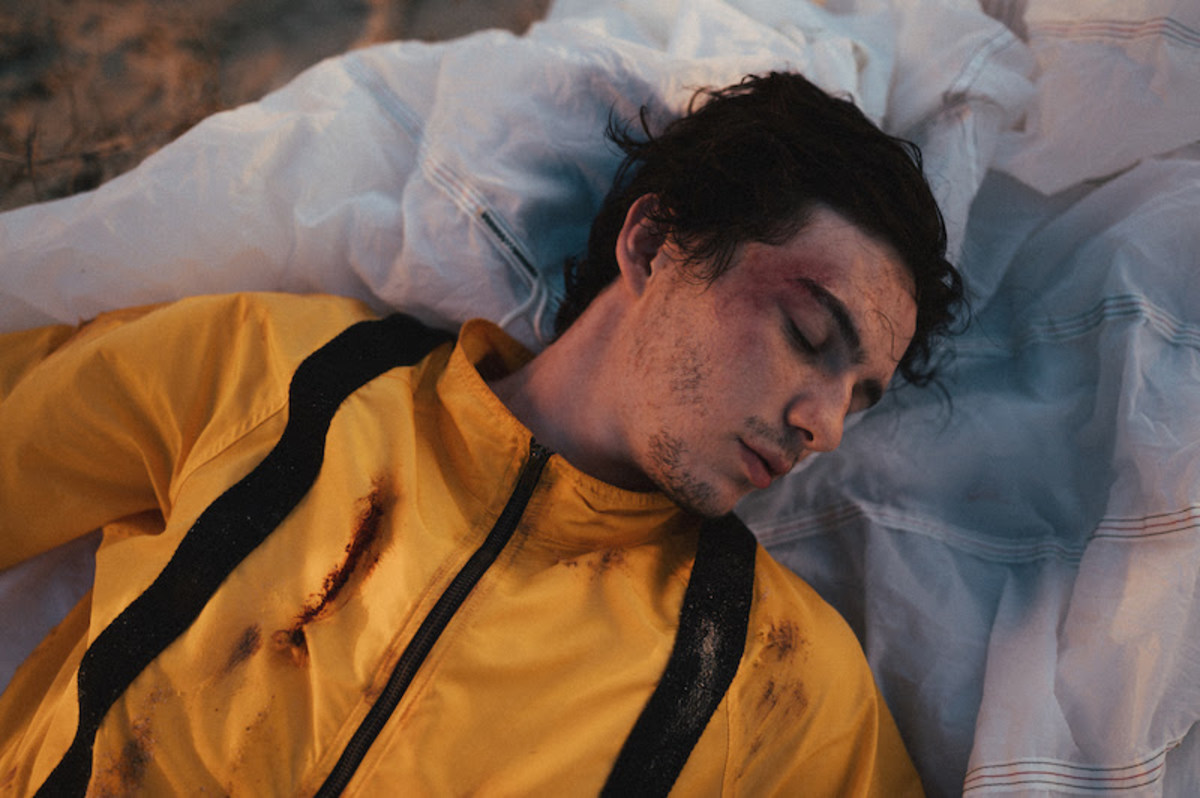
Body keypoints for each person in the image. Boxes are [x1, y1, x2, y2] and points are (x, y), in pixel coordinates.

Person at [0, 72, 961, 796]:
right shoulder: (283, 376)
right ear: (652, 245)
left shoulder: (777, 670)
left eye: (859, 398)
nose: (824, 427)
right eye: (808, 335)